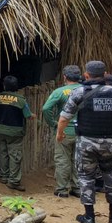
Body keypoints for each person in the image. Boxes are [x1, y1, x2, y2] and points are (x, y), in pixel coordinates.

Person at [58, 61, 112, 223]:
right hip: (111, 142)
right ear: (105, 73)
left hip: (86, 142)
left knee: (86, 177)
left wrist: (60, 133)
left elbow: (64, 117)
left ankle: (89, 217)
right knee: (111, 175)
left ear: (86, 75)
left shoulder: (80, 92)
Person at [42, 65, 82, 198]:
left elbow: (46, 108)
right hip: (83, 132)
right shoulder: (86, 90)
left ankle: (62, 190)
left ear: (65, 77)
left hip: (64, 131)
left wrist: (53, 123)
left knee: (62, 160)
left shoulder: (60, 92)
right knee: (78, 160)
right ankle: (77, 188)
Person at [0, 75, 35, 191]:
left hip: (0, 130)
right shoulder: (21, 100)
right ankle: (14, 181)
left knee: (3, 152)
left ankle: (3, 176)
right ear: (16, 87)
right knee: (14, 155)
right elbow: (27, 115)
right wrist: (33, 116)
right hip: (15, 132)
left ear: (4, 85)